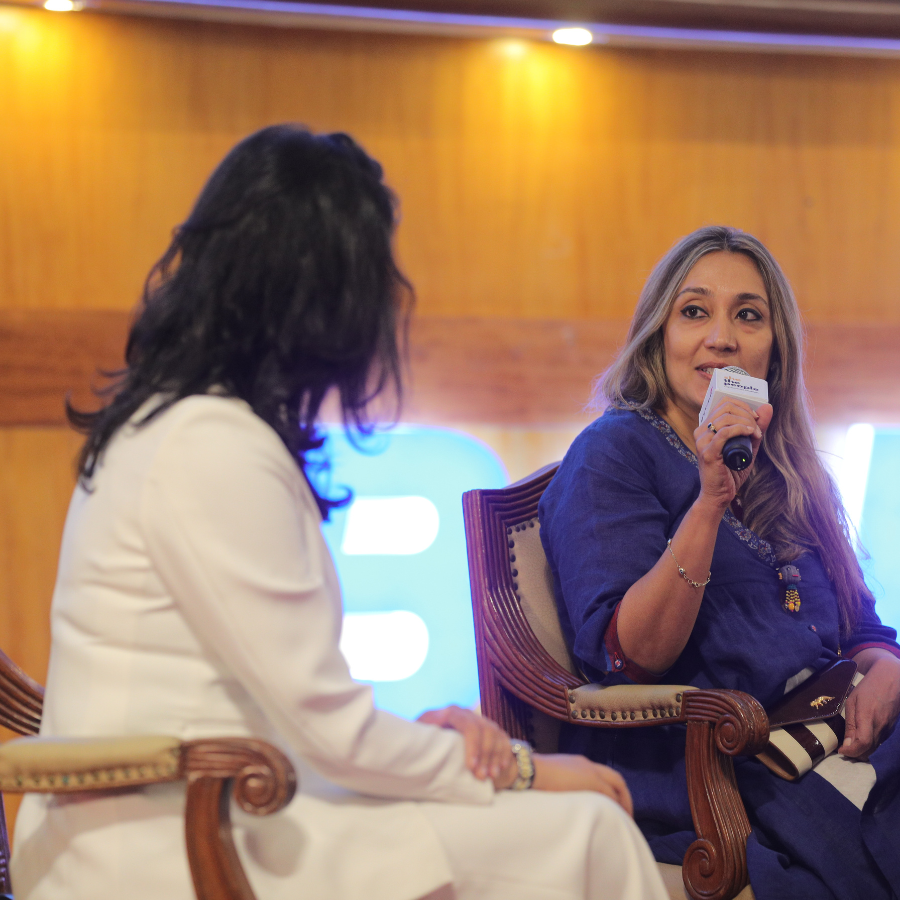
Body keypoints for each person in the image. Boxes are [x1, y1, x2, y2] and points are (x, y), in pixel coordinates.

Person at [10, 125, 667, 900]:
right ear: (323, 293)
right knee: (588, 827)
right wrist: (523, 770)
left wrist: (438, 748)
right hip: (171, 840)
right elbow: (327, 729)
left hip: (208, 802)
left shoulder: (180, 423)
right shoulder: (210, 444)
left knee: (561, 825)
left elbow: (300, 713)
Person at [539, 225, 900, 900]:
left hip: (833, 737)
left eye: (749, 316)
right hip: (716, 768)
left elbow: (864, 626)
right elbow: (630, 654)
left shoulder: (788, 467)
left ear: (774, 348)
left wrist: (886, 668)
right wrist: (709, 502)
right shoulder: (613, 453)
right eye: (695, 311)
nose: (722, 338)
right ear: (659, 334)